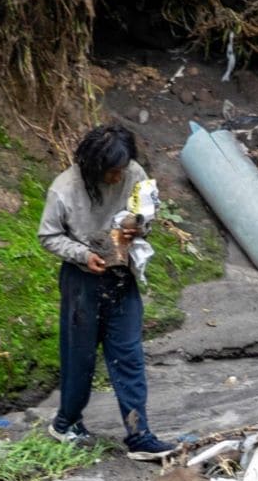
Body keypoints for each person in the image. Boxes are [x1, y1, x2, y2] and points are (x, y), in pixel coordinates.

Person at [37, 123, 178, 461]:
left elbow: (147, 213)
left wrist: (138, 229)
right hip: (81, 280)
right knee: (80, 357)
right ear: (92, 167)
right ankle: (66, 422)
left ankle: (139, 435)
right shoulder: (64, 189)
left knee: (128, 355)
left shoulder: (133, 173)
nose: (118, 177)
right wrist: (82, 255)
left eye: (122, 169)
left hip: (121, 275)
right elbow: (48, 236)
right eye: (111, 172)